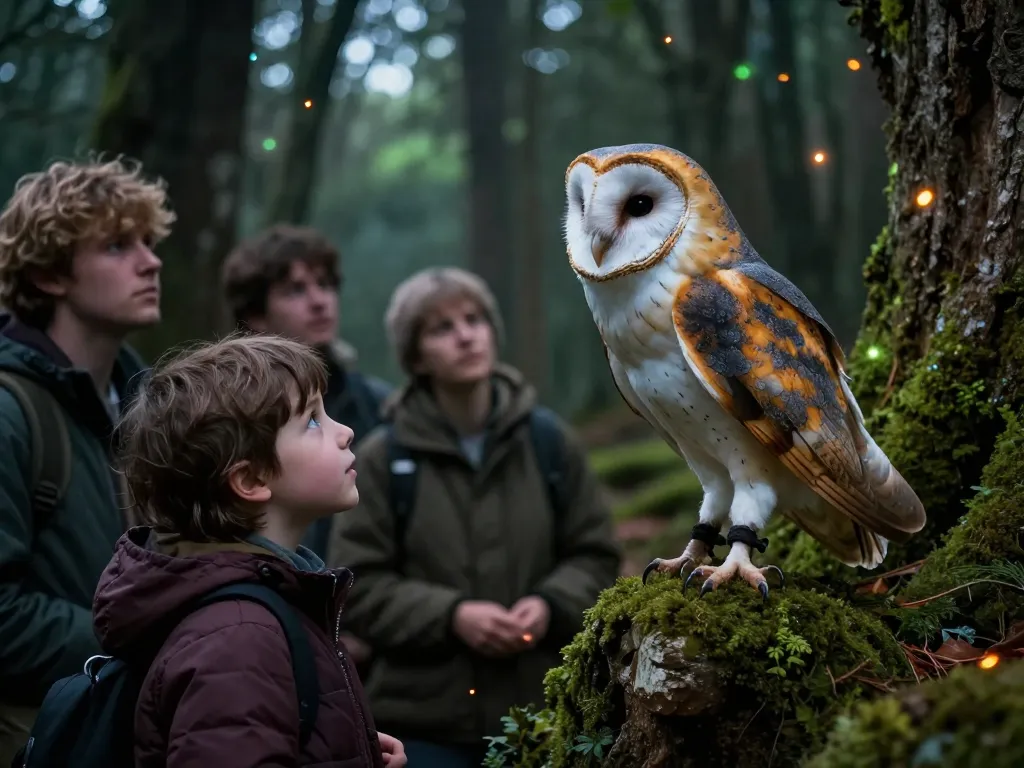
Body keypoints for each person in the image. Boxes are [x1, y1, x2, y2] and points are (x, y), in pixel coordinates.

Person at [328, 267, 622, 767]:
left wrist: (550, 605)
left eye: (475, 319)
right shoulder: (381, 459)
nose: (466, 335)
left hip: (547, 713)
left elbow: (595, 552)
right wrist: (452, 617)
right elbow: (359, 583)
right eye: (442, 328)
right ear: (416, 355)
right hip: (424, 729)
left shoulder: (548, 444)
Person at [93, 334, 406, 767]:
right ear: (251, 480)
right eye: (313, 421)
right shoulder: (238, 640)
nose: (345, 431)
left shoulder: (269, 605)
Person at [0, 157, 166, 763]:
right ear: (48, 273)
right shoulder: (9, 413)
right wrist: (145, 638)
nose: (150, 262)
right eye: (118, 246)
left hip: (129, 731)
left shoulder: (154, 409)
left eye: (149, 242)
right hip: (38, 739)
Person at [220, 224, 392, 561]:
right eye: (295, 290)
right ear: (256, 314)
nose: (319, 302)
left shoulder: (379, 404)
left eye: (325, 285)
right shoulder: (227, 410)